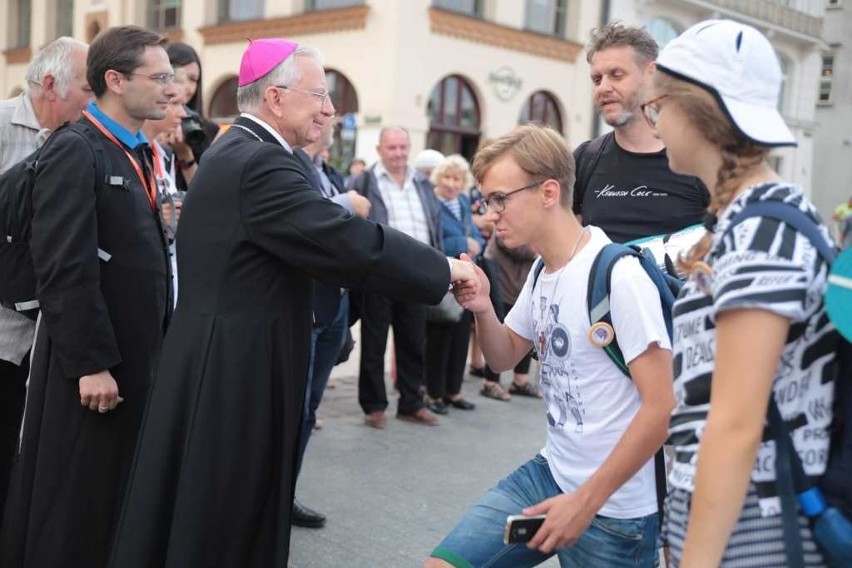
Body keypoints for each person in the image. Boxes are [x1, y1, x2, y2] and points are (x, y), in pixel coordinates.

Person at [107, 38, 475, 568]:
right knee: (226, 508)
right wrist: (446, 269)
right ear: (276, 99)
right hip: (234, 367)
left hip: (230, 353)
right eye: (320, 95)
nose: (330, 108)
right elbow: (345, 239)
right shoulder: (260, 162)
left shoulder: (248, 152)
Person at [426, 124, 674, 567]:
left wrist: (584, 502)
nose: (490, 212)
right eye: (486, 200)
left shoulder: (620, 276)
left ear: (548, 191)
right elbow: (504, 356)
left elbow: (661, 408)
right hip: (550, 474)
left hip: (616, 512)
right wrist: (484, 308)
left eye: (500, 198)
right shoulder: (543, 269)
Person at [646, 20, 836, 566]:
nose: (655, 123)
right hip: (741, 512)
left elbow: (734, 426)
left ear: (697, 111)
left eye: (658, 107)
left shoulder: (760, 234)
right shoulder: (747, 222)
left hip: (759, 524)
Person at [0, 26, 175, 568]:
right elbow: (64, 268)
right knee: (73, 497)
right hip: (92, 370)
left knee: (106, 495)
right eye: (161, 77)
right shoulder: (76, 150)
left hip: (131, 357)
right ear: (116, 81)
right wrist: (92, 364)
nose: (172, 89)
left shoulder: (137, 151)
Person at [0, 35, 92, 522]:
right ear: (52, 83)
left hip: (47, 337)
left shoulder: (78, 140)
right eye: (86, 87)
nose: (93, 99)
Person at [291, 117, 371, 528]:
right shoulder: (289, 165)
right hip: (305, 305)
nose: (332, 122)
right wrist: (347, 205)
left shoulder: (330, 172)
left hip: (335, 303)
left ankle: (287, 492)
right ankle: (269, 496)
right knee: (294, 406)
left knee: (310, 408)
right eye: (322, 110)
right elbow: (302, 218)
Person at [573, 22, 709, 244]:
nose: (603, 88)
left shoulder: (698, 160)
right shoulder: (585, 160)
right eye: (597, 79)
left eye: (616, 75)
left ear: (651, 74)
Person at [350, 126, 446, 428]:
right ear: (379, 150)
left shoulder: (423, 184)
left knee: (414, 342)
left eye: (403, 147)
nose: (399, 153)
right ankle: (374, 406)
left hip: (415, 274)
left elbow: (435, 224)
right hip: (379, 272)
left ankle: (411, 402)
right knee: (375, 342)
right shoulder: (364, 181)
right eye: (392, 148)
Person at [424, 154, 483, 414]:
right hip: (442, 276)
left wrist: (476, 244)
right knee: (439, 337)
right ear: (438, 178)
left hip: (464, 277)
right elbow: (430, 242)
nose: (451, 183)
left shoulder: (462, 201)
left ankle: (454, 391)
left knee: (460, 336)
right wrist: (462, 245)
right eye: (446, 177)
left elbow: (473, 233)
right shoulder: (432, 203)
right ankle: (433, 394)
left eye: (456, 178)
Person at [165, 42, 217, 188]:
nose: (185, 86)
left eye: (193, 79)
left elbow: (207, 193)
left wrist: (185, 154)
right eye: (179, 76)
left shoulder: (208, 130)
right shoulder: (144, 122)